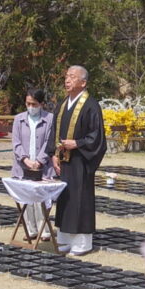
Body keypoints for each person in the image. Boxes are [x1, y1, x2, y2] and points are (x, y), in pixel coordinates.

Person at [46, 65, 107, 255]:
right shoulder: (63, 104)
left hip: (81, 161)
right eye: (66, 76)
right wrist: (53, 155)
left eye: (72, 77)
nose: (67, 80)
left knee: (80, 199)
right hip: (64, 161)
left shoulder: (91, 105)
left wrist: (78, 143)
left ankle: (82, 243)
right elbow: (54, 132)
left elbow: (96, 137)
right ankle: (64, 238)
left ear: (83, 82)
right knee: (65, 199)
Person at [11, 88, 55, 240]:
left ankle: (45, 230)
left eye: (34, 104)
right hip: (23, 166)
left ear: (41, 104)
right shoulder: (19, 119)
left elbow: (49, 141)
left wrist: (39, 161)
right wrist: (25, 159)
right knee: (27, 197)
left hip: (42, 166)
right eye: (28, 103)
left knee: (42, 198)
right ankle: (31, 229)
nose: (30, 107)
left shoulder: (50, 119)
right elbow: (16, 143)